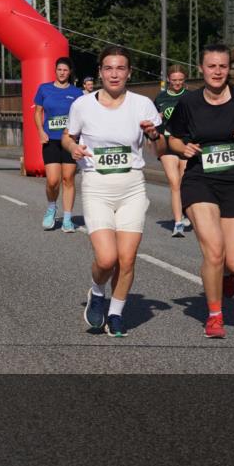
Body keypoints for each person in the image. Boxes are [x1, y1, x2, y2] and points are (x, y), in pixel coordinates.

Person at [167, 44, 234, 339]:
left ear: (230, 69)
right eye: (211, 66)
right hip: (200, 179)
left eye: (222, 67)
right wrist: (182, 147)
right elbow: (172, 139)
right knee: (214, 251)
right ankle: (215, 316)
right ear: (202, 69)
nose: (217, 72)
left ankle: (227, 275)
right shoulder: (189, 102)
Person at [63, 47, 165, 337]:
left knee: (127, 258)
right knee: (107, 259)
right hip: (97, 186)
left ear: (129, 73)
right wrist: (73, 148)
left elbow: (161, 149)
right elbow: (67, 137)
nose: (114, 74)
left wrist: (155, 135)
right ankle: (97, 291)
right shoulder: (82, 105)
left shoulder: (142, 104)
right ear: (100, 72)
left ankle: (116, 313)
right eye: (109, 68)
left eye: (121, 68)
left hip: (132, 185)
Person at [33, 57, 83, 232]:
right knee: (53, 181)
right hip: (50, 140)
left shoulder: (77, 93)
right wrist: (40, 131)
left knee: (68, 179)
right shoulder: (44, 89)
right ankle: (51, 207)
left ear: (70, 72)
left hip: (69, 140)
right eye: (59, 69)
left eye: (65, 70)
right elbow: (38, 112)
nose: (62, 73)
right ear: (55, 70)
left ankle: (68, 218)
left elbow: (82, 116)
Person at [154, 65, 190, 237]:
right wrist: (157, 120)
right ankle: (178, 223)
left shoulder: (191, 97)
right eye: (174, 80)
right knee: (174, 182)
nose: (177, 83)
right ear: (168, 79)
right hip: (167, 144)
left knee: (184, 182)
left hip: (184, 143)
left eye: (180, 80)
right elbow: (153, 122)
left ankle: (185, 211)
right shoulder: (160, 98)